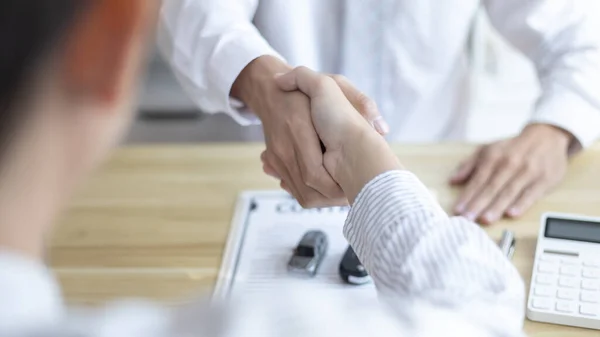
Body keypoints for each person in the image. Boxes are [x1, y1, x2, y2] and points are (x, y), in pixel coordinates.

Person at [0, 0, 526, 336]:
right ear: (109, 45)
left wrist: (559, 127)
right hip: (256, 166)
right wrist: (367, 166)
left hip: (438, 152)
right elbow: (480, 313)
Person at [158, 0, 600, 224]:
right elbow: (190, 12)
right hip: (261, 171)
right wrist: (266, 85)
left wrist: (556, 129)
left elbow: (579, 33)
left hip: (439, 179)